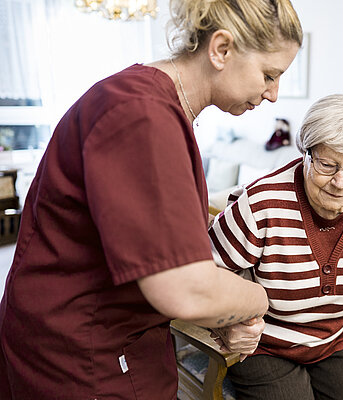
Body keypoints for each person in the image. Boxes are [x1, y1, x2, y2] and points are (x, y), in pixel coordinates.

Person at [0, 0, 302, 398]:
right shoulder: (142, 114)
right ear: (221, 49)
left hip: (108, 338)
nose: (274, 94)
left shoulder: (154, 104)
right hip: (84, 354)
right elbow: (184, 288)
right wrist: (257, 299)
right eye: (269, 74)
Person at [208, 94, 343, 399]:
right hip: (264, 345)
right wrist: (226, 326)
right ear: (306, 153)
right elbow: (205, 275)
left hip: (335, 338)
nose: (340, 182)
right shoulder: (261, 205)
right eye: (327, 164)